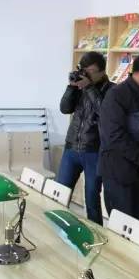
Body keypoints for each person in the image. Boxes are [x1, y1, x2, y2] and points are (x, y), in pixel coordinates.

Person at [98, 52, 139, 221]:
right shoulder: (116, 95)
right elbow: (114, 135)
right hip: (119, 173)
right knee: (121, 226)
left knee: (136, 225)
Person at [58, 51, 113, 225]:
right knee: (59, 193)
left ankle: (96, 234)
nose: (86, 75)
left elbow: (105, 113)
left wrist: (89, 88)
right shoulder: (79, 87)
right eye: (83, 70)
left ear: (102, 72)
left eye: (90, 71)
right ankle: (58, 227)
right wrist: (71, 87)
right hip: (72, 147)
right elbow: (65, 109)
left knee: (92, 198)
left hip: (94, 151)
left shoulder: (112, 90)